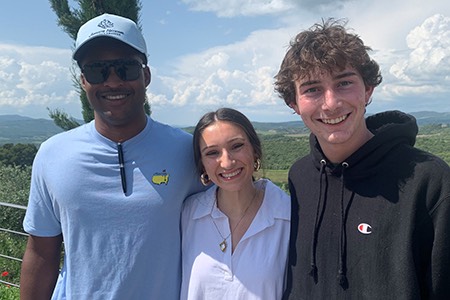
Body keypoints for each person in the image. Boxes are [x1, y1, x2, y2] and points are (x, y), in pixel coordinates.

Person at [20, 13, 203, 299]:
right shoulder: (52, 155)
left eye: (125, 68)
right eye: (97, 70)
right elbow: (41, 253)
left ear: (146, 75)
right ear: (83, 80)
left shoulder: (187, 150)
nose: (113, 81)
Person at [274, 19, 450, 299]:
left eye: (344, 83)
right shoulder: (300, 177)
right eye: (312, 89)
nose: (330, 103)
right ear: (294, 104)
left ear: (368, 90)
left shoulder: (429, 180)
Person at [180, 108, 290, 299]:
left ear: (254, 150)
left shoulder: (287, 216)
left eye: (236, 146)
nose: (227, 162)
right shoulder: (188, 215)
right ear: (202, 164)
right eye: (212, 152)